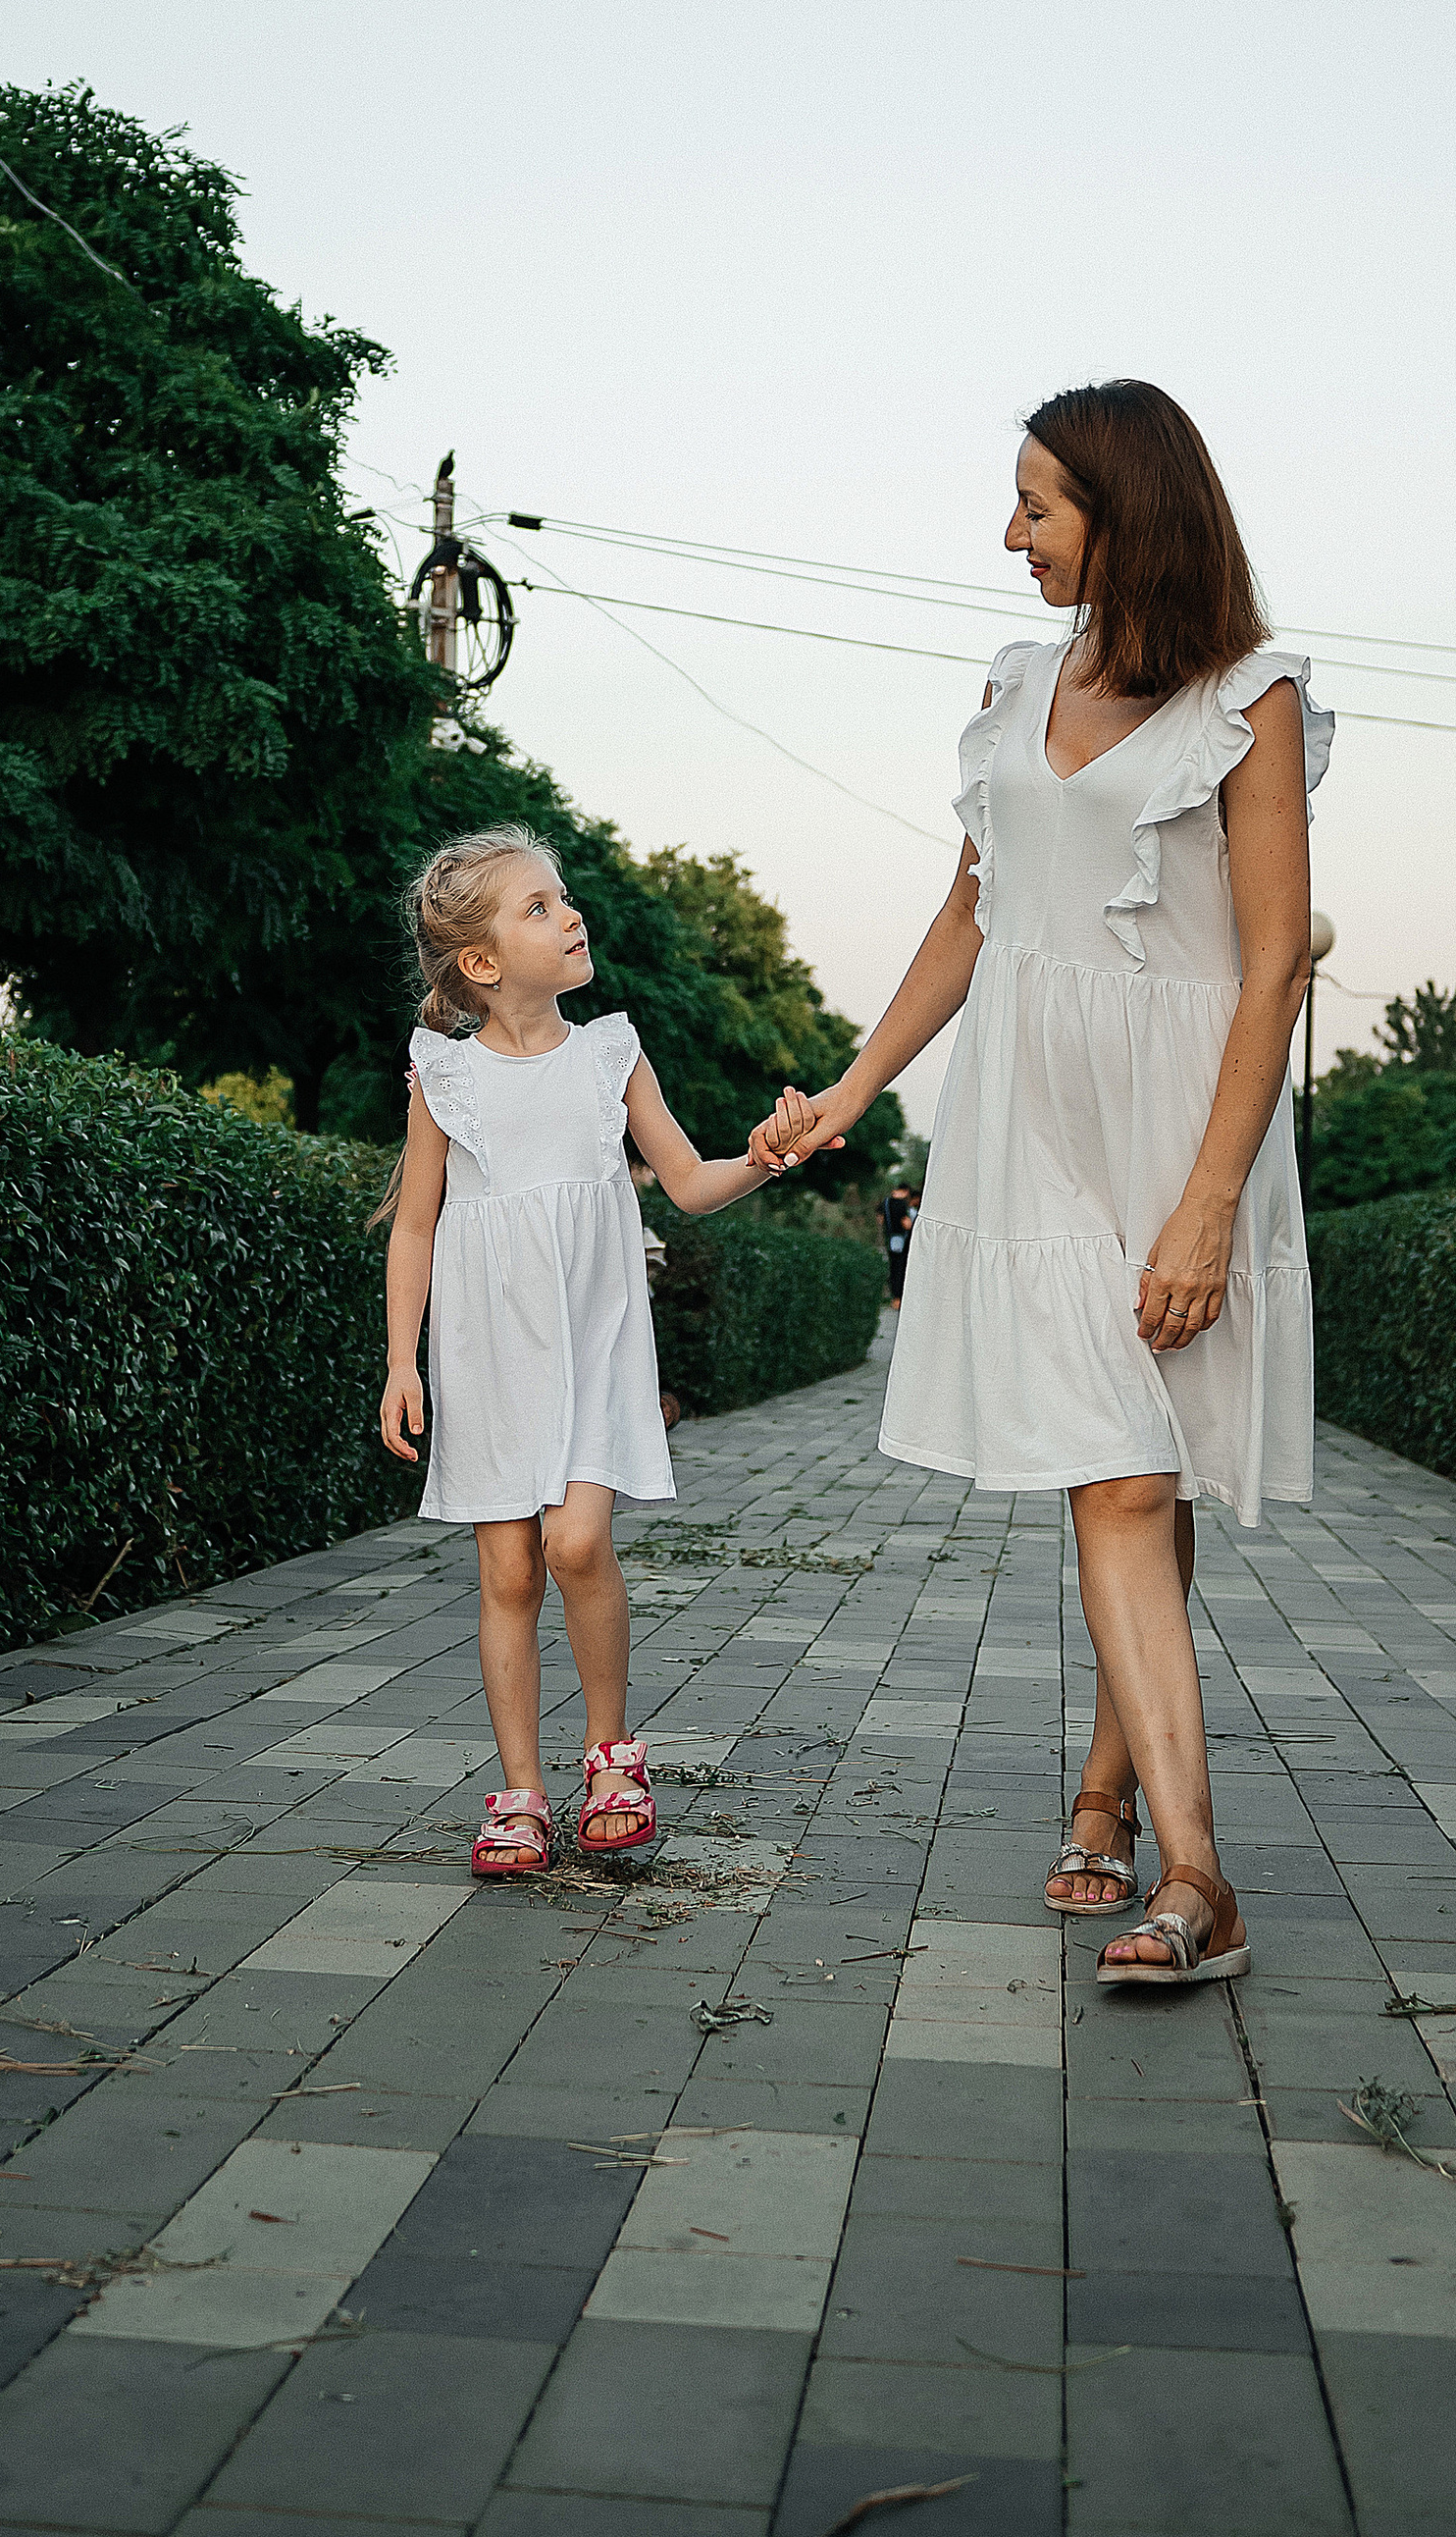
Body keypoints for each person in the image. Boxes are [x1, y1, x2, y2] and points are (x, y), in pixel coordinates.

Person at [757, 382, 1330, 1988]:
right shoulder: (1017, 679)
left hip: (1179, 1119)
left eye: (1037, 505)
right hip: (1024, 1111)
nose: (1008, 534)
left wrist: (1212, 1198)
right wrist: (858, 1088)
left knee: (1137, 1469)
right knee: (1115, 1470)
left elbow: (1276, 953)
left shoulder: (1253, 694)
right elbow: (972, 913)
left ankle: (1131, 1812)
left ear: (1126, 511)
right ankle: (1187, 1865)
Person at [378, 825, 800, 1877]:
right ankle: (520, 1791)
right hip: (486, 1350)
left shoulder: (610, 1052)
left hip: (591, 1340)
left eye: (562, 900)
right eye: (538, 908)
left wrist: (764, 1156)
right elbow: (416, 1223)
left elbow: (691, 1184)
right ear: (480, 963)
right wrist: (401, 1361)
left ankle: (613, 1759)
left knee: (573, 1546)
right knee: (509, 1569)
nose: (571, 916)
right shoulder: (447, 1073)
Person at [879, 1179, 919, 1302]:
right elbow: (906, 1224)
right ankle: (898, 1298)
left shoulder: (885, 1202)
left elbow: (880, 1219)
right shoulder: (902, 1205)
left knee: (892, 1267)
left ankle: (893, 1298)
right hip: (901, 1240)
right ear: (906, 1191)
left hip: (890, 1239)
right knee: (900, 1268)